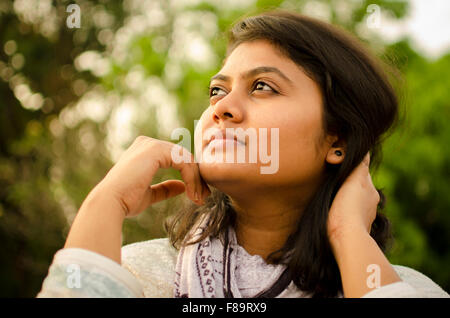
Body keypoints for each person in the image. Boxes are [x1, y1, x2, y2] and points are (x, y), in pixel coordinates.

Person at [37, 10, 448, 298]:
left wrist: (348, 234)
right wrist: (104, 203)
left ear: (336, 140)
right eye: (217, 90)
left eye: (262, 87)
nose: (221, 107)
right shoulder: (133, 277)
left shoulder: (397, 288)